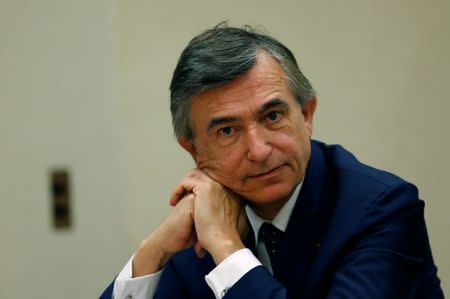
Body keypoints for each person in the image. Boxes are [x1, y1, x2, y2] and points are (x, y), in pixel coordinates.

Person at [100, 24, 444, 299]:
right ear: (194, 151)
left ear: (306, 115)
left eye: (273, 116)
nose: (259, 150)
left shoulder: (382, 210)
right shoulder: (199, 224)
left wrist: (227, 249)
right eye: (228, 130)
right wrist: (154, 251)